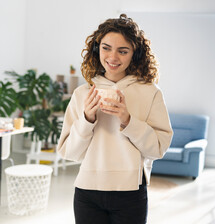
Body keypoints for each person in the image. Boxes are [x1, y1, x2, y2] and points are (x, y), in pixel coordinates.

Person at [57, 14, 173, 224]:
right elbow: (69, 152)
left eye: (123, 51)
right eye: (106, 48)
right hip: (87, 193)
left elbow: (158, 149)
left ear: (134, 54)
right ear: (96, 49)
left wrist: (128, 120)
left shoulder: (150, 93)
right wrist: (87, 119)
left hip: (130, 193)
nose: (113, 57)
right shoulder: (82, 94)